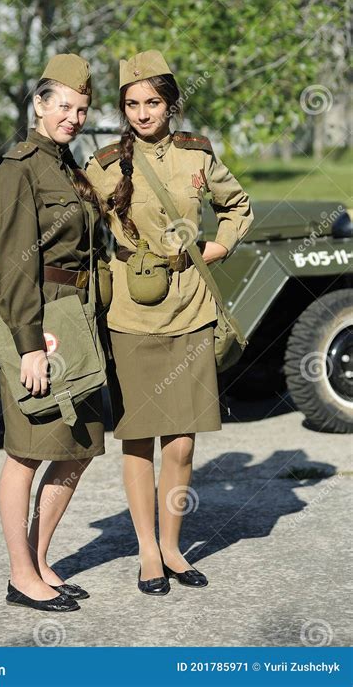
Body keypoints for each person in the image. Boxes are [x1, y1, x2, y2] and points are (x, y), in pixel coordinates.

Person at [86, 50, 254, 595]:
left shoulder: (197, 154)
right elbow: (71, 217)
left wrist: (221, 245)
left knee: (180, 442)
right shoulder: (106, 163)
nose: (141, 113)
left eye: (152, 102)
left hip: (190, 305)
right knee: (138, 438)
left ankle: (175, 545)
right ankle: (147, 551)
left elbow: (239, 205)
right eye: (132, 104)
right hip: (133, 313)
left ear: (170, 103)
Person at [0, 53, 105, 612]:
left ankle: (39, 559)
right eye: (64, 107)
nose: (73, 117)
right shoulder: (19, 168)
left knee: (79, 446)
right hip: (42, 324)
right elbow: (11, 265)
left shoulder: (68, 166)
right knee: (28, 451)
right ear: (39, 105)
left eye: (81, 109)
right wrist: (29, 344)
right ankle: (20, 576)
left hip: (78, 319)